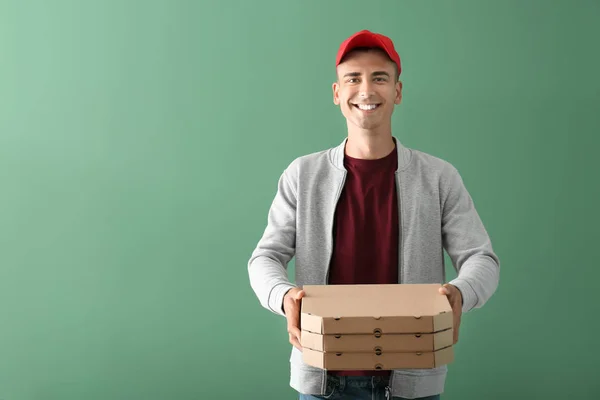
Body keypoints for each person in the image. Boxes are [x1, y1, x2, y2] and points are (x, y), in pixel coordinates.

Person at [247, 29, 500, 400]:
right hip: (322, 383)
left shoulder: (439, 177)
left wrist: (461, 293)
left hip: (412, 384)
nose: (366, 90)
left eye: (379, 78)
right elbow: (264, 257)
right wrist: (283, 295)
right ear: (337, 93)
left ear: (397, 92)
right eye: (353, 78)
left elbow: (482, 258)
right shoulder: (302, 175)